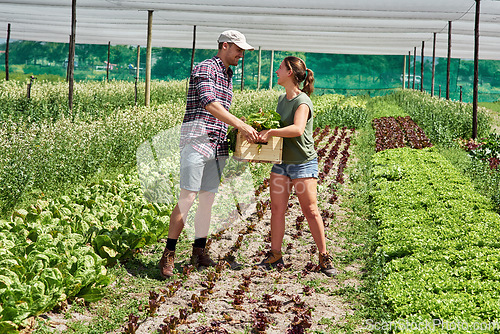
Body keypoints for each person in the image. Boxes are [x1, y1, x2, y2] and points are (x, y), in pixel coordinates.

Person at [158, 30, 259, 278]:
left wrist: (240, 127)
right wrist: (240, 125)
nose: (241, 55)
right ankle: (168, 253)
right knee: (188, 197)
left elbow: (221, 112)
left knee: (207, 200)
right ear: (224, 46)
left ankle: (198, 251)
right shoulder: (205, 69)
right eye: (239, 50)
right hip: (197, 140)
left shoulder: (228, 74)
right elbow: (209, 103)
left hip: (218, 144)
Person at [255, 56, 337, 277]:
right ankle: (275, 255)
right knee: (277, 210)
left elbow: (297, 129)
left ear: (290, 72)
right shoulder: (282, 100)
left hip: (302, 165)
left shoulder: (303, 101)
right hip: (281, 164)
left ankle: (324, 256)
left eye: (280, 68)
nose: (276, 71)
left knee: (310, 211)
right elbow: (280, 128)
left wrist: (271, 132)